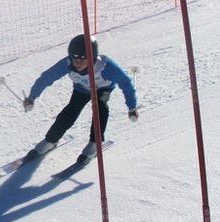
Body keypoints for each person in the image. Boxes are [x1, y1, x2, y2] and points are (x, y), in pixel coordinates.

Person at [22, 34, 138, 163]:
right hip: (81, 88)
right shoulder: (67, 64)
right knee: (70, 111)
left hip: (102, 88)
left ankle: (95, 143)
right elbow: (47, 77)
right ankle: (51, 140)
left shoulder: (106, 67)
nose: (77, 63)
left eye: (83, 59)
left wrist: (132, 107)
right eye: (74, 58)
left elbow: (126, 83)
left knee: (100, 108)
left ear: (92, 58)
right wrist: (32, 97)